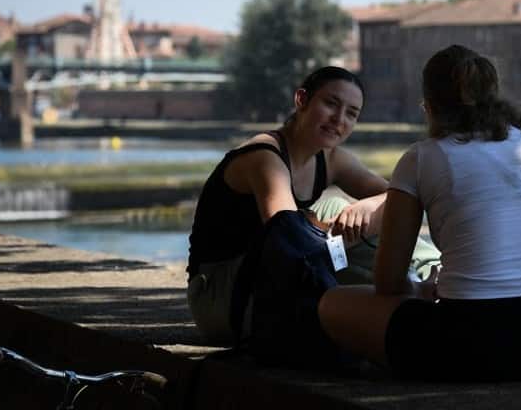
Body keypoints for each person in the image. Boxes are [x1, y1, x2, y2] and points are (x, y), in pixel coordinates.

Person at [318, 45, 521, 381]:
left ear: (431, 106)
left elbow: (388, 282)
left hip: (474, 345)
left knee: (332, 305)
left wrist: (422, 289)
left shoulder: (422, 157)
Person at [185, 66, 439, 354]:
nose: (339, 120)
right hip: (223, 298)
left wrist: (369, 204)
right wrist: (348, 227)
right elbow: (290, 243)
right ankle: (414, 287)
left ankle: (434, 273)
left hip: (276, 280)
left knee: (354, 210)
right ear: (301, 100)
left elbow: (402, 199)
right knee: (342, 215)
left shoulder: (330, 159)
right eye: (331, 104)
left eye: (351, 113)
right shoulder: (264, 158)